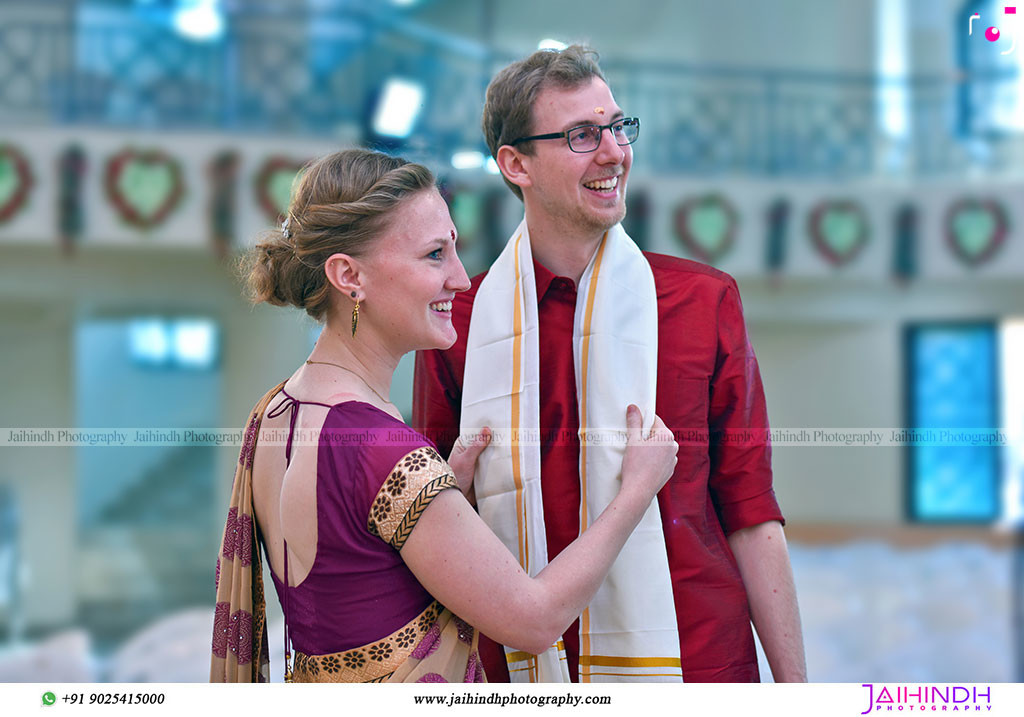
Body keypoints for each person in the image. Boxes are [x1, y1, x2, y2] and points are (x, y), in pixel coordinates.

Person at [413, 46, 807, 683]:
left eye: (619, 128)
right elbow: (433, 522)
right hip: (516, 671)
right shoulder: (456, 323)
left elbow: (750, 510)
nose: (614, 152)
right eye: (580, 135)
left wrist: (796, 689)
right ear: (516, 164)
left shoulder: (703, 301)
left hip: (696, 660)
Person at [209, 149, 679, 683]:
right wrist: (636, 491)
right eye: (434, 255)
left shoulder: (273, 413)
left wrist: (439, 492)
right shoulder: (384, 451)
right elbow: (534, 619)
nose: (460, 278)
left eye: (455, 250)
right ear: (348, 276)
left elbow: (348, 580)